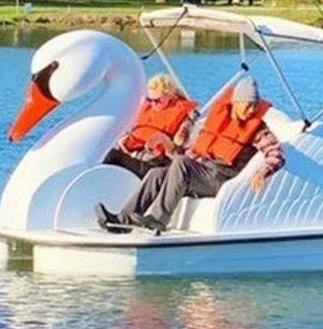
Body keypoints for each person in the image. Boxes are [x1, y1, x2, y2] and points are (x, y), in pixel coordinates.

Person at [98, 76, 285, 234]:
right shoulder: (219, 121)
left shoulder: (257, 129)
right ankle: (122, 221)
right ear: (235, 103)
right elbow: (193, 152)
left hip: (223, 178)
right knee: (157, 174)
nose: (252, 110)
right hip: (203, 172)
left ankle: (157, 219)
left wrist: (263, 172)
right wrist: (171, 149)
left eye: (255, 105)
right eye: (248, 105)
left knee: (181, 164)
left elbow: (276, 154)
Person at [103, 74, 199, 178]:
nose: (153, 104)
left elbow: (178, 152)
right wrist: (123, 139)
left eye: (158, 100)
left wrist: (164, 140)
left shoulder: (184, 113)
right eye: (150, 100)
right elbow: (132, 130)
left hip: (153, 164)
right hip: (132, 154)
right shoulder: (147, 108)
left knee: (111, 156)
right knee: (105, 151)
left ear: (170, 95)